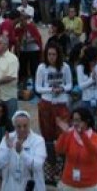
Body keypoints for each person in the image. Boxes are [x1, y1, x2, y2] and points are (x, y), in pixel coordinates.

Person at [35, 42, 72, 174]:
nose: (51, 57)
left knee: (63, 134)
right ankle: (52, 164)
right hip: (46, 104)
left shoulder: (65, 67)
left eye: (54, 54)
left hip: (61, 104)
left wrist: (61, 88)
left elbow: (70, 85)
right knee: (48, 135)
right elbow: (38, 87)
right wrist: (51, 89)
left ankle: (65, 164)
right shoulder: (41, 68)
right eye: (49, 54)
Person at [54, 106, 97, 190]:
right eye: (73, 120)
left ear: (87, 121)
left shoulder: (96, 137)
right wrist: (64, 134)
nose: (75, 123)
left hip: (90, 184)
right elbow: (59, 150)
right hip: (69, 183)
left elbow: (93, 152)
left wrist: (82, 135)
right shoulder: (69, 135)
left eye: (78, 120)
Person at [0, 109, 46, 190]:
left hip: (31, 185)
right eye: (19, 126)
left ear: (29, 125)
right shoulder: (8, 139)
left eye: (25, 126)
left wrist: (22, 153)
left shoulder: (38, 141)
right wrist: (8, 149)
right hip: (11, 185)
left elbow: (37, 166)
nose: (22, 129)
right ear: (14, 126)